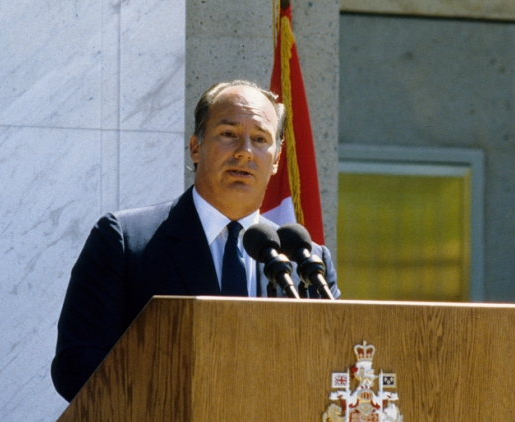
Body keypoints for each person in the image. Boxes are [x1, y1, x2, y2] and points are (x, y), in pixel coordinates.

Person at [51, 80, 340, 401]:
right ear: (195, 147)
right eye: (228, 134)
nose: (245, 151)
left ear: (275, 160)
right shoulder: (125, 241)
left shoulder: (305, 262)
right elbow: (76, 366)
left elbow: (333, 367)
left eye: (260, 139)